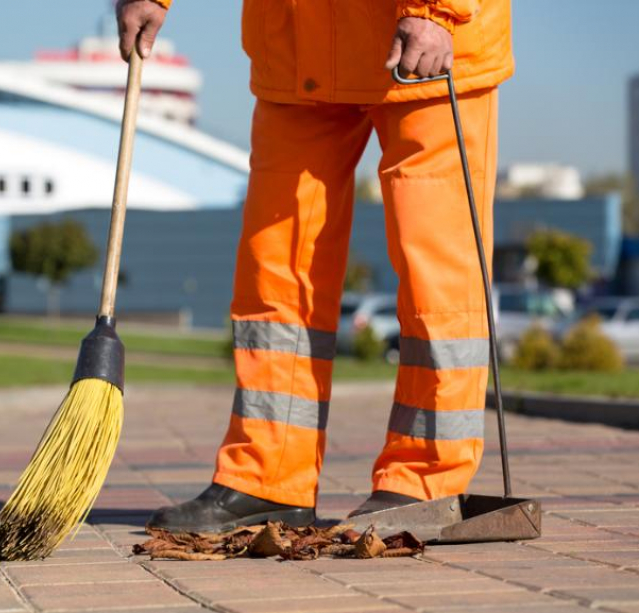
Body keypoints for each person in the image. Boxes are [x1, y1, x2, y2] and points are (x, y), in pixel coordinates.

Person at [116, 0, 513, 532]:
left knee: (436, 273)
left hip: (422, 39)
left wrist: (436, 9)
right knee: (276, 270)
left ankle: (425, 479)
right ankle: (267, 477)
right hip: (297, 44)